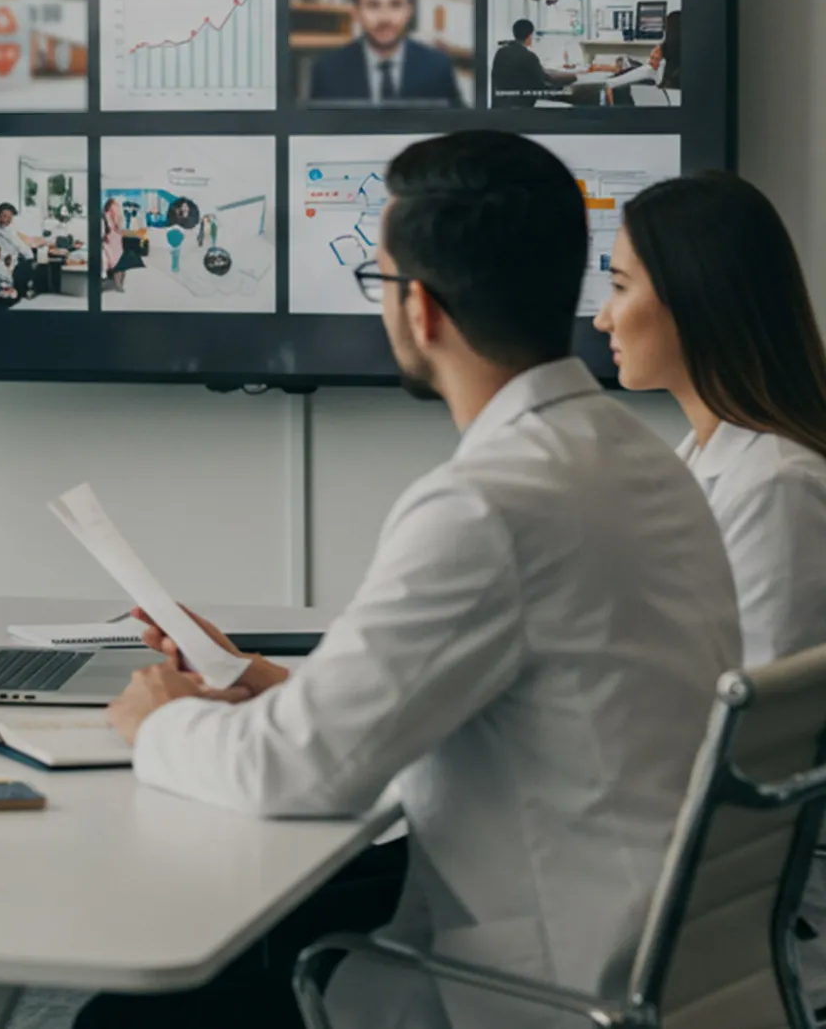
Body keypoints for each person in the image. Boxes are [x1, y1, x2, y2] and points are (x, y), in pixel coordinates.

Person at [83, 131, 739, 1029]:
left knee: (130, 1018)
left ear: (420, 310)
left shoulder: (487, 506)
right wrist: (266, 684)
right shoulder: (640, 458)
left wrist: (162, 722)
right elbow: (490, 696)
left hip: (547, 988)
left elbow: (299, 772)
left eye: (379, 284)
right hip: (664, 958)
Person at [594, 171, 826, 996]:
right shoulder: (710, 462)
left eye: (619, 287)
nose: (600, 317)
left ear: (696, 298)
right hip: (684, 868)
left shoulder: (777, 486)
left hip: (738, 904)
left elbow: (747, 748)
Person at [304, 0, 465, 106]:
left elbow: (459, 131)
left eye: (395, 5)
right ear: (356, 12)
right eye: (373, 5)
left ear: (408, 11)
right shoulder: (328, 71)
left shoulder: (437, 67)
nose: (385, 18)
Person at [488, 17, 573, 106]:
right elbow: (544, 82)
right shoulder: (529, 56)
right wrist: (573, 77)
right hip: (521, 110)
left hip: (500, 107)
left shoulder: (501, 52)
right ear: (530, 35)